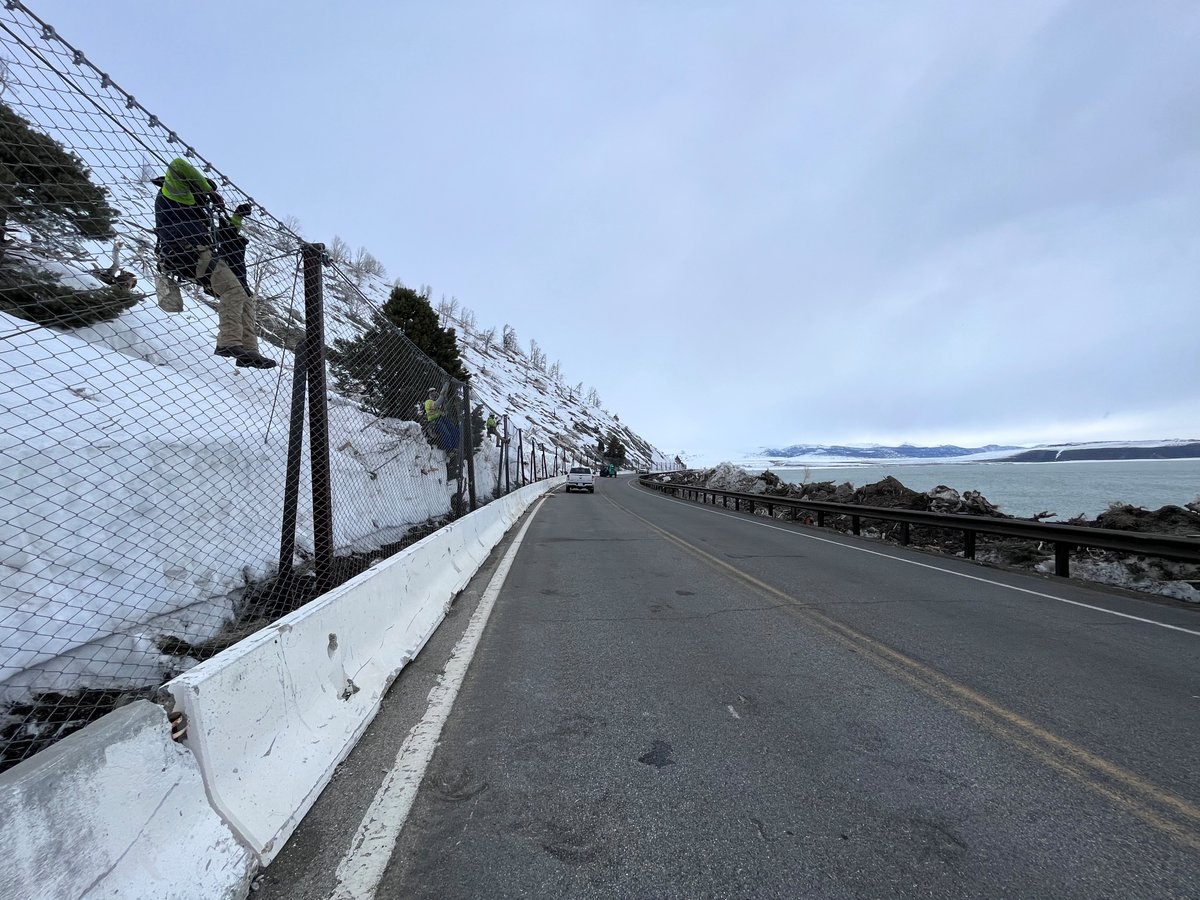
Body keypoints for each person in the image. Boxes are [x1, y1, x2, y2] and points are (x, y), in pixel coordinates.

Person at [153, 158, 276, 369]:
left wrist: (237, 217)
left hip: (195, 255)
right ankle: (228, 342)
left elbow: (225, 235)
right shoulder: (175, 193)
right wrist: (209, 189)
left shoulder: (198, 213)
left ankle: (248, 351)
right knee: (235, 291)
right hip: (188, 251)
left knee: (245, 298)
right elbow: (178, 164)